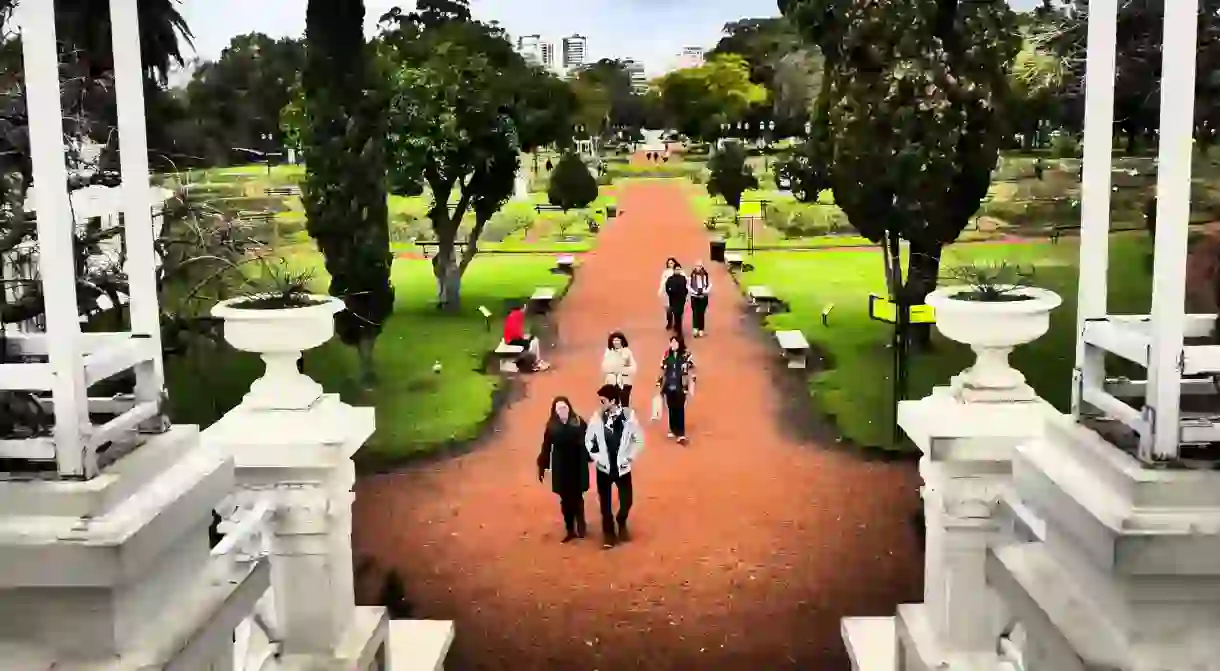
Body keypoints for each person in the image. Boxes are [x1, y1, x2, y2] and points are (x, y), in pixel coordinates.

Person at [585, 384, 645, 548]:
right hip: (604, 468)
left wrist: (630, 457)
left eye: (603, 401)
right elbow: (589, 440)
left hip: (622, 467)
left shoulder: (628, 417)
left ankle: (621, 520)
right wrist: (596, 458)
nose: (600, 404)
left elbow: (638, 439)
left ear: (613, 401)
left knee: (627, 501)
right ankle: (609, 534)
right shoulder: (597, 417)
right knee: (605, 504)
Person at [537, 396, 590, 542]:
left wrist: (592, 455)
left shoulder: (578, 422)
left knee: (578, 497)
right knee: (565, 500)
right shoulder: (552, 427)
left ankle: (581, 524)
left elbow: (590, 439)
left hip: (577, 465)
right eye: (559, 408)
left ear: (569, 408)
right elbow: (546, 447)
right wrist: (542, 466)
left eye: (565, 407)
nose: (562, 411)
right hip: (561, 467)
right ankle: (570, 529)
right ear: (555, 411)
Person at [657, 333, 695, 444]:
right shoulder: (666, 354)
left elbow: (692, 370)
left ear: (680, 343)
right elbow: (662, 370)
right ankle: (672, 428)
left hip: (681, 386)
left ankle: (681, 433)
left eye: (675, 342)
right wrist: (659, 384)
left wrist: (691, 385)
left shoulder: (686, 355)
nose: (672, 344)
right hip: (668, 385)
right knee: (671, 407)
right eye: (671, 342)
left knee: (680, 408)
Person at [503, 303, 550, 372]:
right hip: (511, 340)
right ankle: (532, 363)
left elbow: (516, 330)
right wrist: (523, 337)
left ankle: (537, 361)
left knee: (535, 340)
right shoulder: (517, 315)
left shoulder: (515, 315)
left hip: (514, 338)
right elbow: (514, 332)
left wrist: (523, 336)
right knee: (529, 343)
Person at [601, 331, 639, 407]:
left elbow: (634, 368)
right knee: (613, 404)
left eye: (618, 340)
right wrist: (614, 370)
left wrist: (623, 370)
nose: (616, 343)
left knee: (625, 404)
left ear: (622, 341)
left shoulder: (627, 352)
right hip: (611, 382)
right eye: (614, 341)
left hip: (624, 382)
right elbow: (604, 367)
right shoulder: (608, 353)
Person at [663, 263, 689, 334]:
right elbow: (667, 288)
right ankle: (678, 328)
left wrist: (684, 295)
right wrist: (670, 295)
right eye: (676, 269)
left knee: (679, 314)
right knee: (676, 314)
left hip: (681, 300)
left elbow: (686, 288)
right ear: (674, 270)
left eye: (679, 269)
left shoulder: (683, 278)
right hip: (673, 300)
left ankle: (678, 328)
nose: (678, 271)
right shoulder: (670, 279)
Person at [688, 262, 712, 337]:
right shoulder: (691, 276)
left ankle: (701, 329)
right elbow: (688, 286)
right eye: (697, 266)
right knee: (695, 312)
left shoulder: (705, 275)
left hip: (703, 297)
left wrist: (705, 292)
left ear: (702, 267)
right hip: (694, 296)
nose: (698, 267)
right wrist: (694, 292)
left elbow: (709, 285)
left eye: (700, 266)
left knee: (701, 313)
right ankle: (695, 329)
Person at [658, 258, 680, 327]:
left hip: (676, 294)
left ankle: (677, 324)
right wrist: (660, 290)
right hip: (667, 294)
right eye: (669, 263)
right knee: (668, 310)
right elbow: (662, 282)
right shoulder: (665, 272)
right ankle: (669, 323)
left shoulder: (678, 271)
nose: (670, 264)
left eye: (672, 263)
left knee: (676, 310)